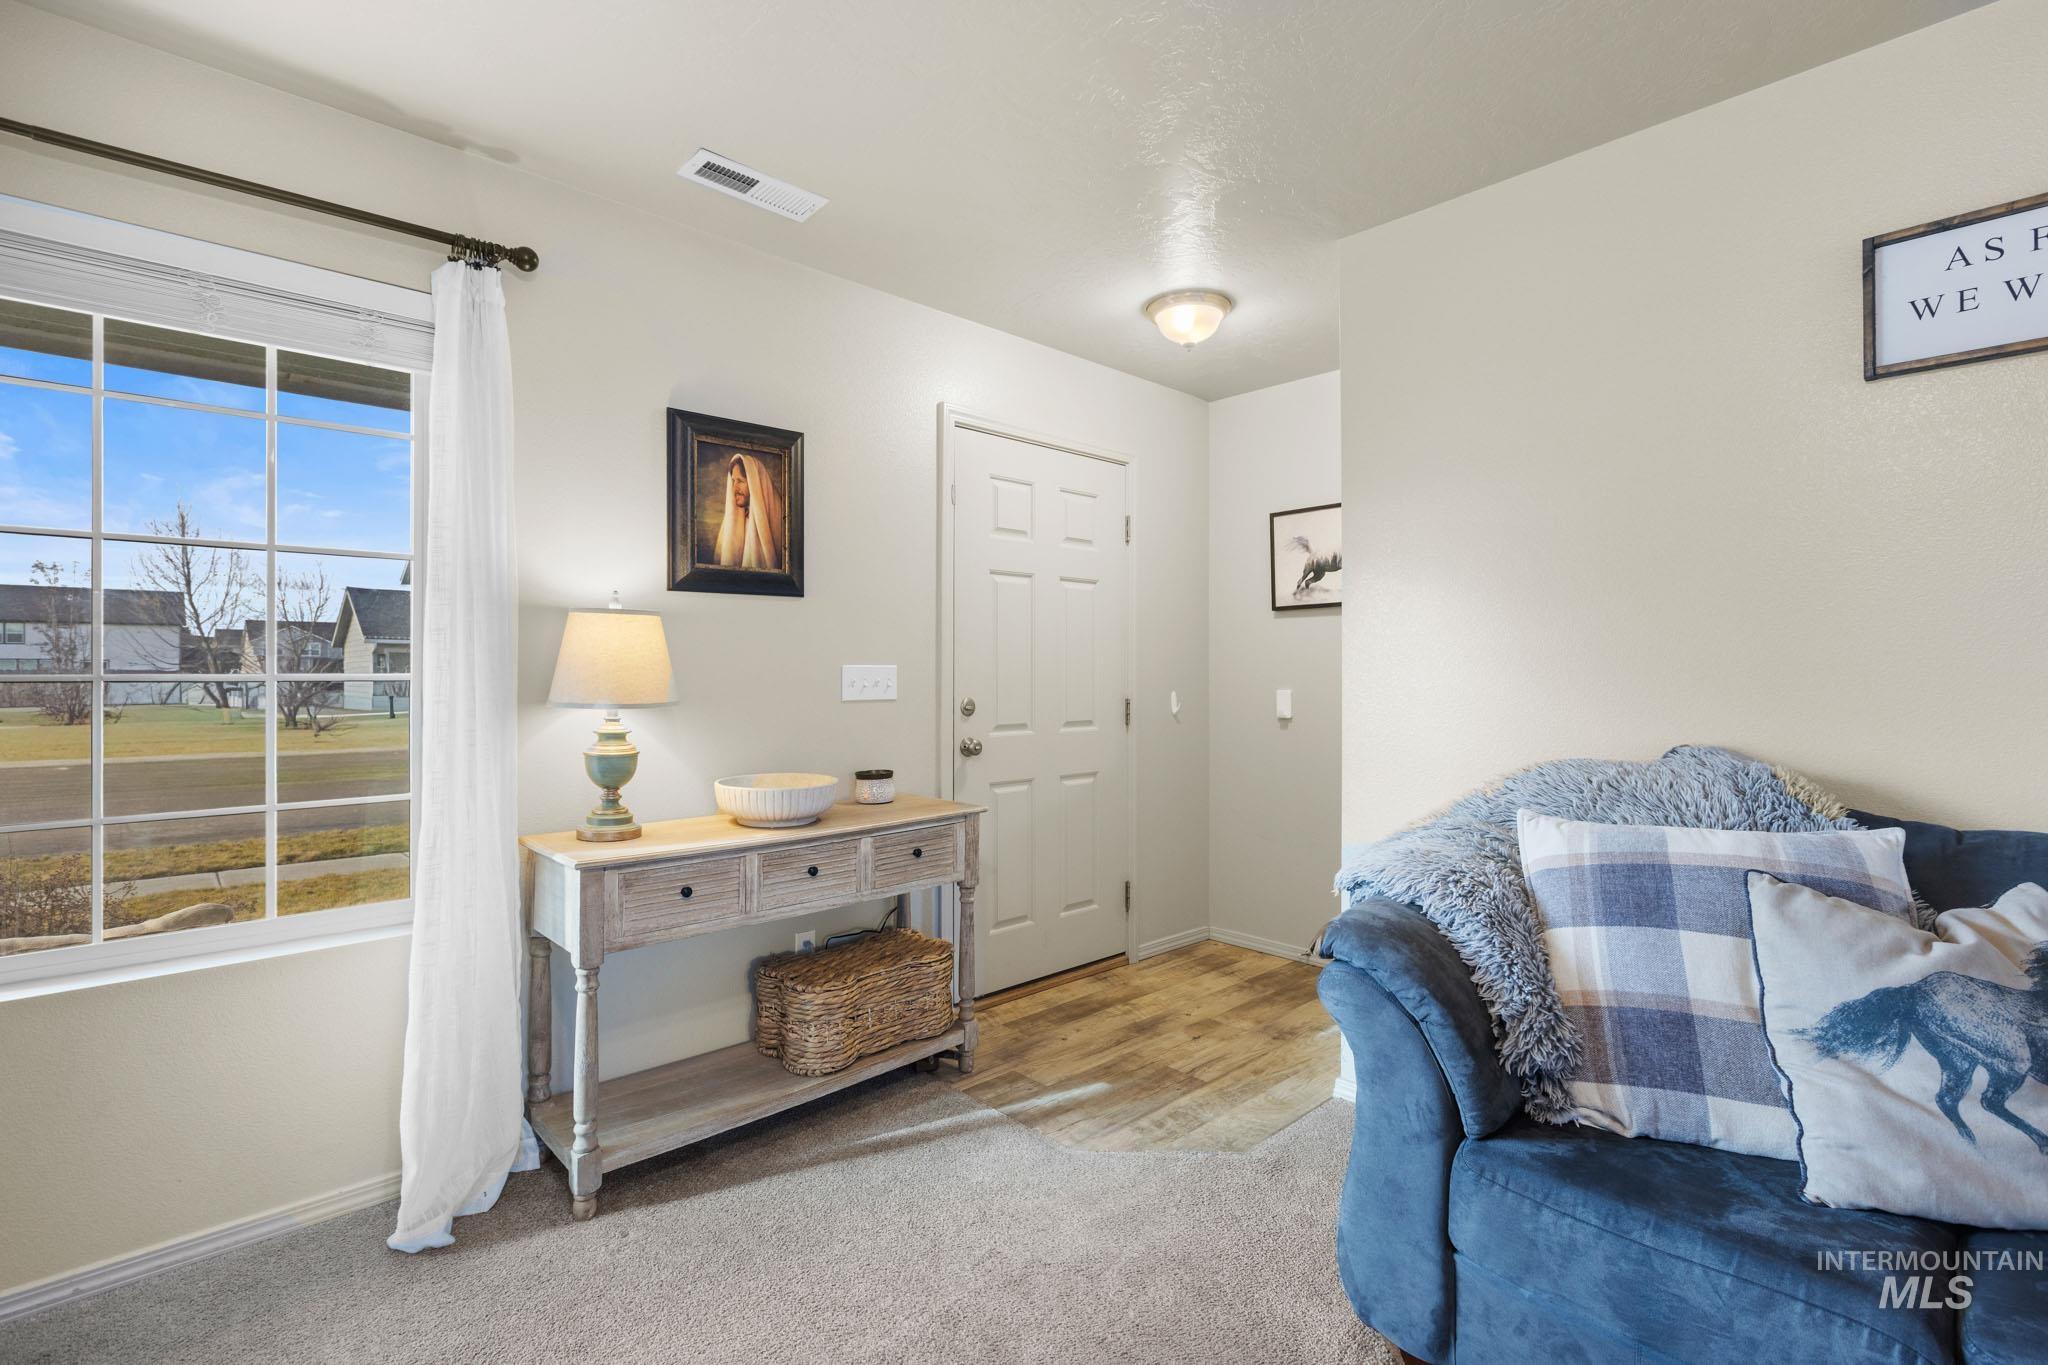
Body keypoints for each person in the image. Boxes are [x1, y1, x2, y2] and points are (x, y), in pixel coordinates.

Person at [713, 451, 784, 571]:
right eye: (733, 481)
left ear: (755, 483)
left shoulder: (781, 521)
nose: (734, 488)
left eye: (740, 481)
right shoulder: (731, 524)